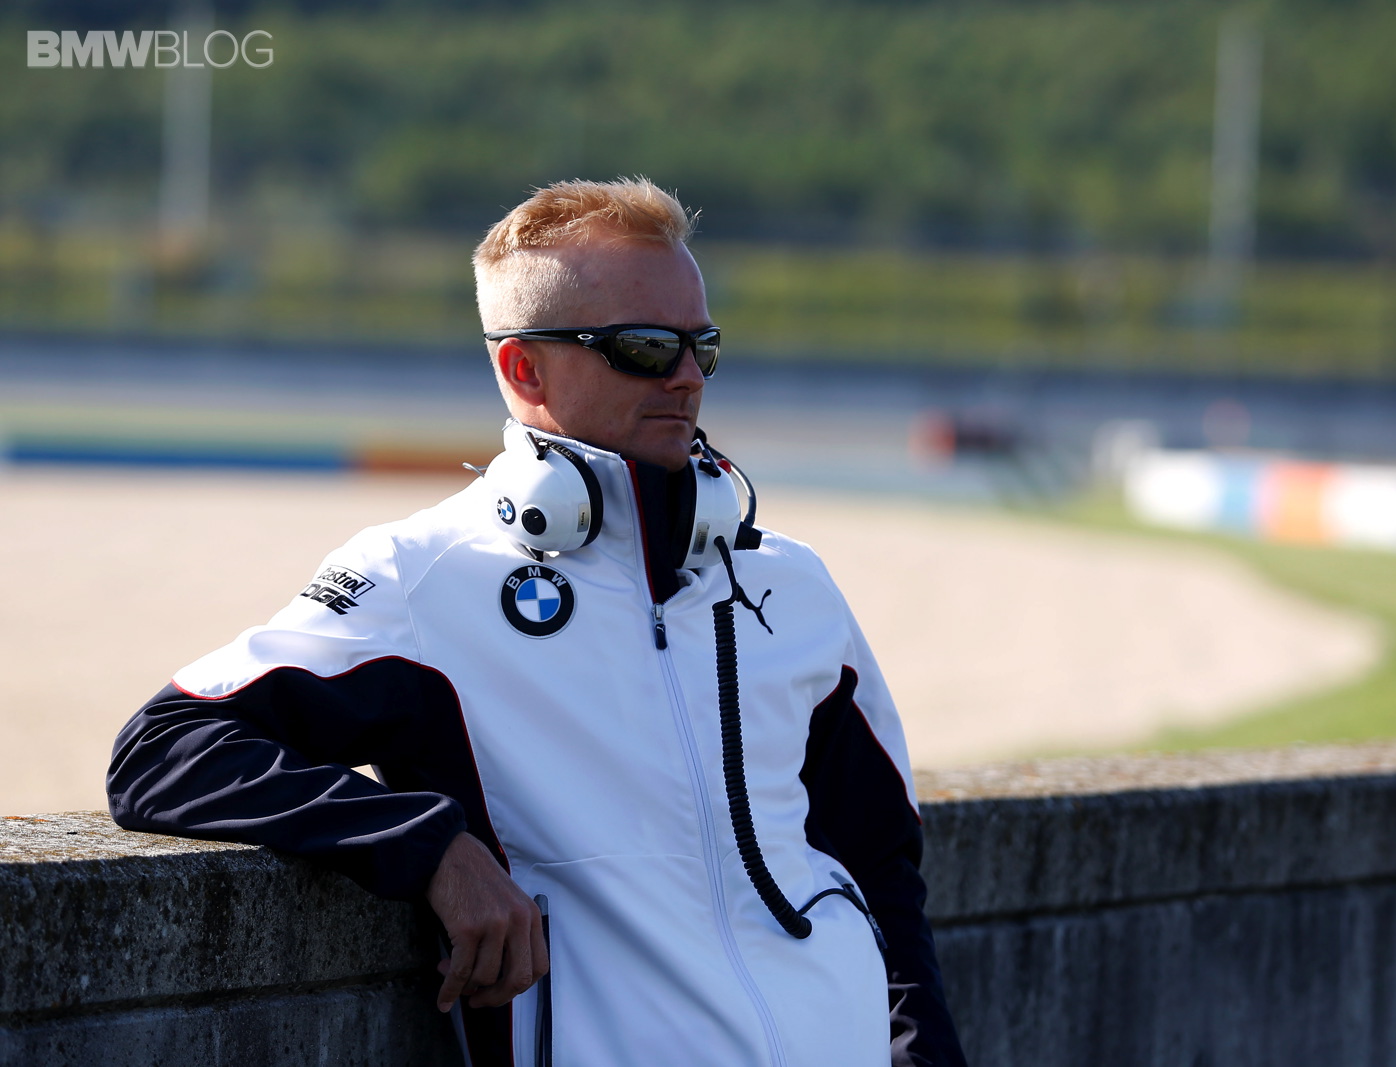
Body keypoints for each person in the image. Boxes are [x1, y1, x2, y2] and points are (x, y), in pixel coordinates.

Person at [108, 178, 967, 1067]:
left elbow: (881, 867)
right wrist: (430, 846)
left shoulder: (792, 579)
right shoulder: (421, 576)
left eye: (702, 346)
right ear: (524, 368)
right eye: (644, 346)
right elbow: (165, 750)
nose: (685, 376)